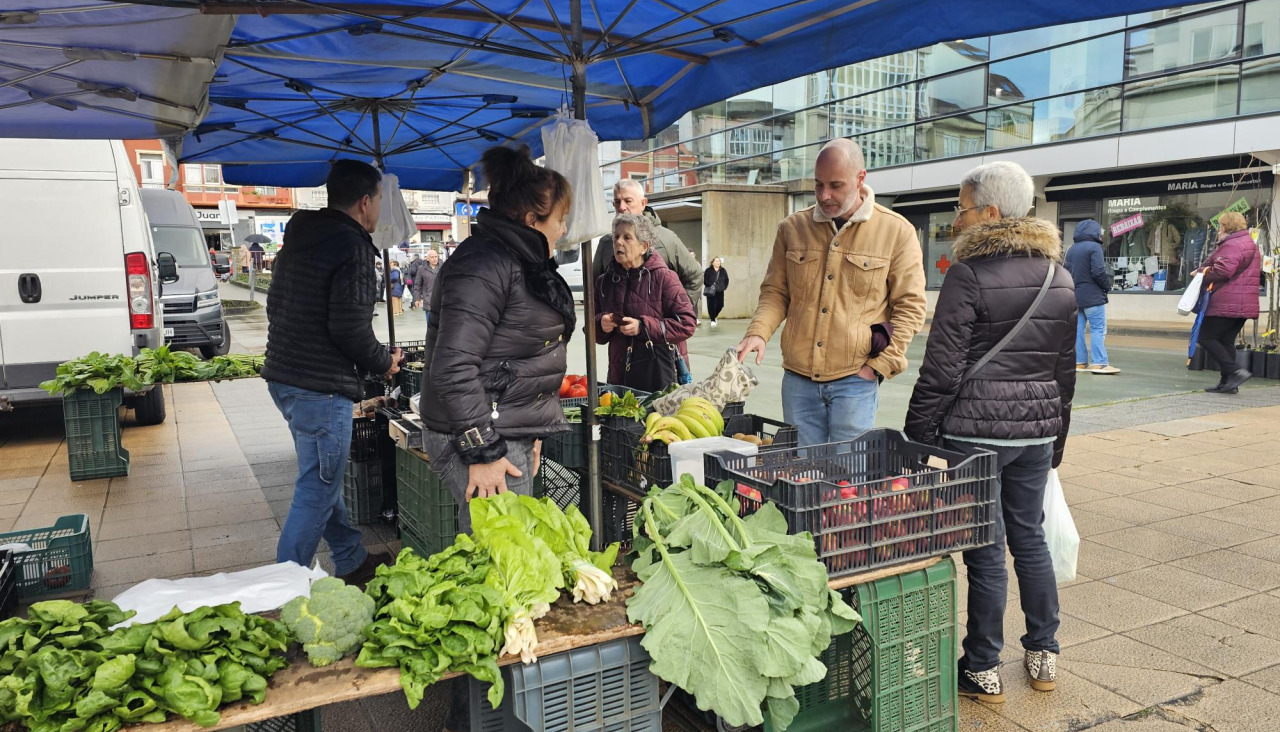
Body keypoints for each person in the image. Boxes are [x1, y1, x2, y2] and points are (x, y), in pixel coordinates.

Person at [905, 161, 1076, 705]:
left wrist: (917, 436)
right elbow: (1063, 371)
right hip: (1035, 435)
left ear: (991, 214)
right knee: (1030, 539)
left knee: (984, 549)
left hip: (975, 436)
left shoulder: (968, 275)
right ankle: (1044, 653)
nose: (957, 218)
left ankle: (982, 667)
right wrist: (1057, 442)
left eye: (962, 207)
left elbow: (942, 369)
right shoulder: (1059, 275)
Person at [260, 159, 398, 587]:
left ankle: (351, 558)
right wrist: (384, 361)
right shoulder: (352, 247)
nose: (379, 209)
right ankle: (282, 591)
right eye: (379, 200)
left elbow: (275, 306)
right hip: (318, 389)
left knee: (323, 474)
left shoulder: (301, 238)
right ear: (364, 202)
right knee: (317, 489)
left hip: (285, 378)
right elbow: (349, 329)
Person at [735, 138, 926, 446]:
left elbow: (911, 308)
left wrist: (878, 367)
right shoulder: (792, 228)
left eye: (836, 185)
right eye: (818, 185)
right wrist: (758, 332)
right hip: (798, 380)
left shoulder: (896, 232)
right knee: (802, 474)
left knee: (847, 476)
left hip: (856, 379)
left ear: (860, 178)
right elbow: (776, 292)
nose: (825, 195)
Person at [593, 180, 703, 366]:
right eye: (617, 202)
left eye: (628, 201)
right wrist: (601, 323)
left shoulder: (667, 240)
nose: (622, 207)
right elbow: (596, 295)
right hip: (622, 358)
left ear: (643, 203)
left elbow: (695, 277)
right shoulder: (605, 244)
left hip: (661, 359)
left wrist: (676, 305)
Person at [595, 214, 698, 392]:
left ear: (644, 246)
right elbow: (594, 333)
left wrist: (643, 327)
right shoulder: (604, 282)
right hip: (620, 376)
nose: (618, 242)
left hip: (660, 376)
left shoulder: (665, 277)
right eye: (616, 237)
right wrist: (600, 324)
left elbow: (687, 324)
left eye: (627, 237)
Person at [1198, 211, 1260, 394]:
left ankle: (1235, 372)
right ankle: (1228, 383)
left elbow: (1224, 271)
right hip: (1244, 302)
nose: (1219, 229)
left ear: (1226, 226)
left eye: (1221, 225)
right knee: (1225, 341)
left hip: (1226, 300)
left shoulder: (1232, 244)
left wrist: (1202, 272)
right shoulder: (1249, 244)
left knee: (1206, 337)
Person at [1064, 220, 1118, 375]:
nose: (1101, 234)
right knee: (1097, 329)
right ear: (1093, 232)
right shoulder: (1095, 247)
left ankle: (1079, 362)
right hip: (1093, 296)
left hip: (1074, 296)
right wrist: (1107, 286)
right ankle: (1100, 363)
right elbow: (1098, 272)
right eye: (1099, 232)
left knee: (1078, 330)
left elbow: (1064, 271)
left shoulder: (1071, 249)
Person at [413, 249, 441, 321]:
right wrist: (417, 299)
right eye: (432, 257)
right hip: (429, 301)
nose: (435, 259)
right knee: (431, 326)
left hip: (442, 301)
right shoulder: (422, 269)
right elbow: (417, 285)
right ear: (427, 258)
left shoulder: (443, 267)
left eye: (436, 256)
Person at [703, 257, 729, 328]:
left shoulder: (723, 270)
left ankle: (714, 316)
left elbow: (726, 279)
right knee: (711, 305)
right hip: (711, 290)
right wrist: (710, 285)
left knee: (720, 305)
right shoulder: (708, 270)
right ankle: (712, 320)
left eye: (719, 261)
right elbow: (704, 280)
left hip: (720, 290)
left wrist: (724, 287)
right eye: (716, 261)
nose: (718, 262)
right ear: (712, 262)